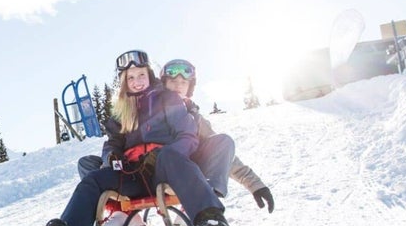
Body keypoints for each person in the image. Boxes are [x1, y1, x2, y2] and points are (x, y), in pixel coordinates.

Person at [45, 50, 237, 226]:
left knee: (170, 155)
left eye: (141, 76)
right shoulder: (121, 111)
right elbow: (112, 143)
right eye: (131, 78)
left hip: (166, 169)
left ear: (150, 75)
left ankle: (210, 222)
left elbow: (188, 135)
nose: (136, 82)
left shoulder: (168, 99)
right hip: (133, 174)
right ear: (124, 82)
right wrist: (112, 158)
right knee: (94, 179)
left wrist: (167, 153)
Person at [78, 58, 274, 214]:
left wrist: (255, 186)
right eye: (173, 81)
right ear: (162, 84)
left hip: (186, 171)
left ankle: (206, 202)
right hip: (145, 173)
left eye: (184, 82)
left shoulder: (194, 118)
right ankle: (122, 213)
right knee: (89, 164)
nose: (178, 86)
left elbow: (224, 155)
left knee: (222, 142)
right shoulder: (149, 111)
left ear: (190, 87)